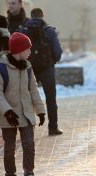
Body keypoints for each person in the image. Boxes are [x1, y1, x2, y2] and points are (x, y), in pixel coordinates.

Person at [0, 32, 45, 176]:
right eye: (27, 49)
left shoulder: (27, 68)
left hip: (26, 114)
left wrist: (40, 110)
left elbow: (33, 90)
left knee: (29, 145)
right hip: (8, 115)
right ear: (18, 50)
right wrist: (7, 111)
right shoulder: (0, 68)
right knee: (9, 148)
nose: (30, 51)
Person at [21, 8, 63, 136]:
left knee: (27, 99)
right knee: (51, 99)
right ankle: (53, 128)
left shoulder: (24, 30)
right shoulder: (49, 30)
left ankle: (26, 129)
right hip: (47, 69)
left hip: (29, 68)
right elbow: (58, 52)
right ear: (42, 16)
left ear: (31, 16)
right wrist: (52, 61)